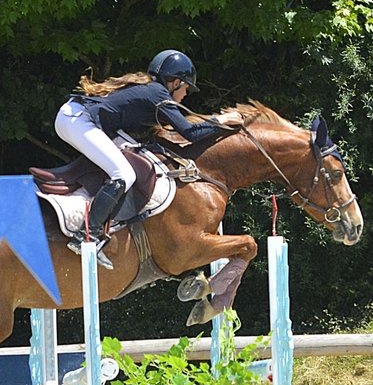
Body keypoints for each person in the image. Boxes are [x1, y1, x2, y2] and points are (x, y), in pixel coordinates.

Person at [54, 49, 241, 269]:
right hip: (77, 120)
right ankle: (87, 235)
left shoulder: (152, 91)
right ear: (176, 82)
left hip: (80, 118)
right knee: (124, 174)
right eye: (186, 88)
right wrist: (221, 120)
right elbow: (190, 133)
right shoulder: (158, 94)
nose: (186, 94)